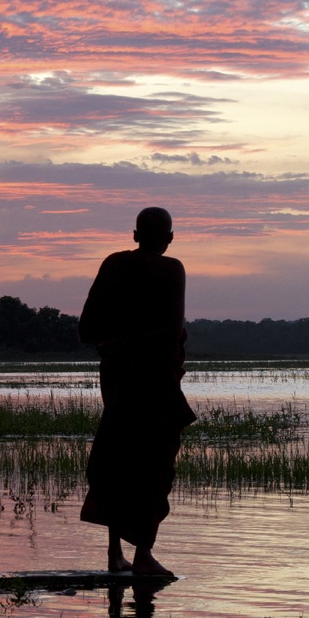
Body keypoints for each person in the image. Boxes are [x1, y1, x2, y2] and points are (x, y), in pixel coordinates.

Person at [78, 207, 196, 576]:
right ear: (170, 237)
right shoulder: (171, 268)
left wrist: (117, 345)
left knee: (119, 459)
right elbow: (171, 330)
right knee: (151, 464)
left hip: (123, 376)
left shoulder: (115, 264)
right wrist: (129, 346)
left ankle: (116, 553)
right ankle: (141, 554)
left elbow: (87, 329)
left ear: (134, 235)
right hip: (150, 381)